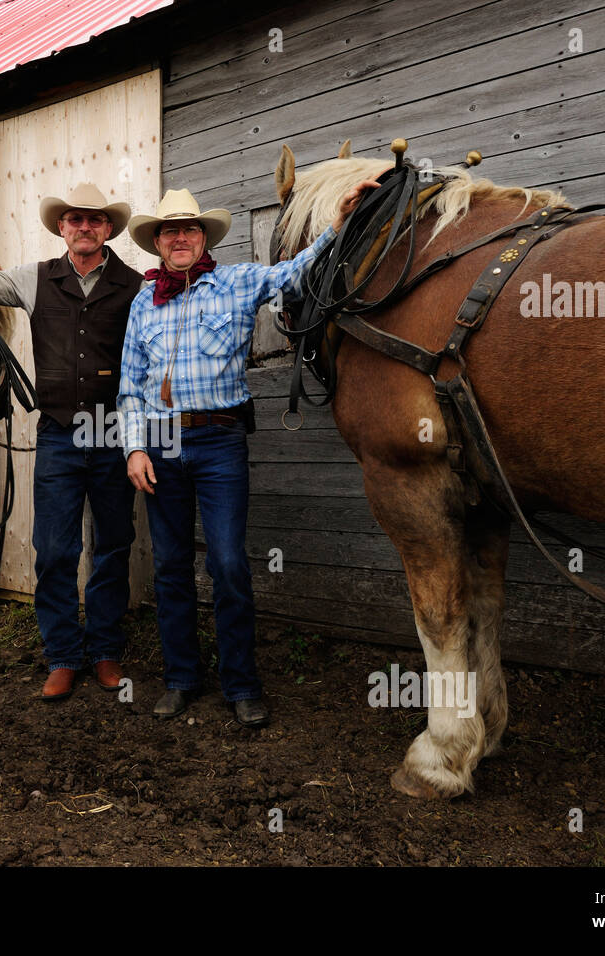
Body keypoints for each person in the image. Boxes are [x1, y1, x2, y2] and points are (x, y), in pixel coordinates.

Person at [118, 182, 377, 727]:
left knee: (229, 563)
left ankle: (241, 683)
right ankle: (181, 678)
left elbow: (296, 272)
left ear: (203, 237)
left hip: (218, 442)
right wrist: (135, 447)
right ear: (158, 242)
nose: (179, 238)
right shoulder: (145, 299)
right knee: (169, 565)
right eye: (170, 231)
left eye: (188, 229)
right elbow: (130, 384)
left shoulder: (236, 282)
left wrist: (339, 221)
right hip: (160, 444)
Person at [0, 183, 145, 702]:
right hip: (59, 434)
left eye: (95, 220)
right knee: (54, 549)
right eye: (75, 219)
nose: (84, 227)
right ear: (62, 228)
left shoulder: (134, 285)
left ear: (108, 229)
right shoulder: (36, 279)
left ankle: (104, 650)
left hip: (111, 433)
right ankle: (62, 655)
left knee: (112, 546)